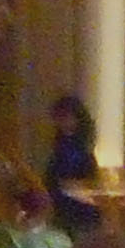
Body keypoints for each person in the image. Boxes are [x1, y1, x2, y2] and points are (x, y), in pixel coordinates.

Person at [41, 94, 101, 236]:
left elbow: (86, 177)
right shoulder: (61, 144)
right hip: (61, 203)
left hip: (79, 207)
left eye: (65, 117)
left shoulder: (80, 148)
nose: (61, 122)